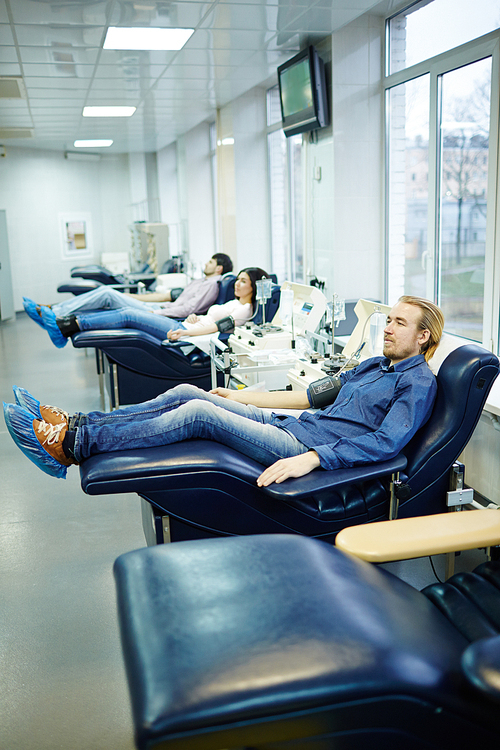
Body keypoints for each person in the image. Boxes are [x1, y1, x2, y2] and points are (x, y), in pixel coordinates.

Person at [4, 296, 444, 487]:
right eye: (387, 319)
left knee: (198, 415)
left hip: (301, 448)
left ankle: (72, 445)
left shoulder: (418, 383)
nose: (386, 327)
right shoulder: (373, 364)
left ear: (424, 337)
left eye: (399, 323)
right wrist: (243, 398)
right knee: (186, 392)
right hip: (293, 426)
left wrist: (312, 459)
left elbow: (387, 444)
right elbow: (311, 397)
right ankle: (79, 422)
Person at [37, 267, 269, 348]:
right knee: (127, 313)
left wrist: (186, 331)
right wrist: (194, 318)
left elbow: (215, 329)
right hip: (186, 326)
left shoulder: (245, 310)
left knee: (128, 314)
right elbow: (208, 320)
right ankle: (67, 325)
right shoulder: (234, 302)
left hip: (185, 334)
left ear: (255, 287)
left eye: (243, 281)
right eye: (237, 279)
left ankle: (67, 325)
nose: (237, 284)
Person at [23, 253, 233, 328]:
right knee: (107, 294)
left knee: (106, 293)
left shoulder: (212, 285)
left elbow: (189, 309)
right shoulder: (199, 280)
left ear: (219, 268)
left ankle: (56, 312)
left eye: (211, 261)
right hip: (157, 306)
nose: (206, 263)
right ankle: (57, 312)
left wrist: (156, 312)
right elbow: (172, 298)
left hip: (161, 313)